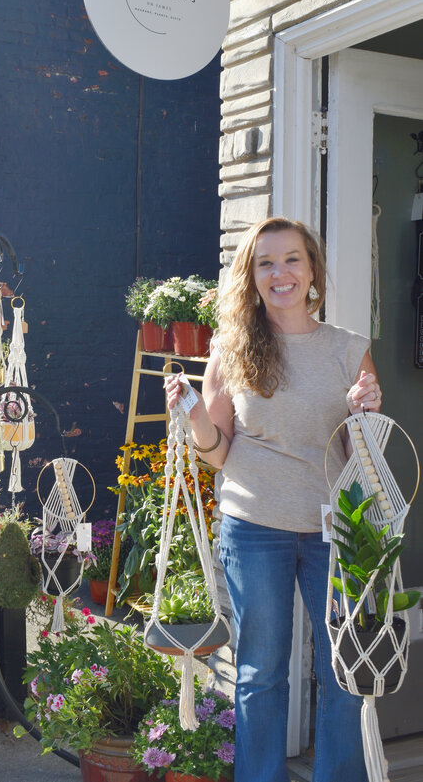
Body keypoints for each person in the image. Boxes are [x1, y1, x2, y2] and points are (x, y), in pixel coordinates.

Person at [166, 217, 380, 782]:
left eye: (292, 260)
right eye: (266, 262)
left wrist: (370, 409)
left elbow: (365, 447)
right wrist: (193, 418)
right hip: (254, 524)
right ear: (252, 276)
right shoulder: (232, 351)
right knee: (261, 672)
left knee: (343, 668)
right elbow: (216, 452)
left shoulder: (349, 350)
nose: (280, 272)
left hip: (338, 527)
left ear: (312, 270)